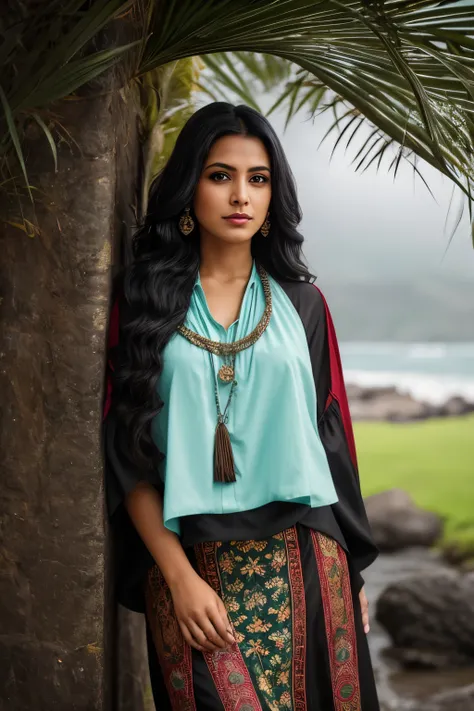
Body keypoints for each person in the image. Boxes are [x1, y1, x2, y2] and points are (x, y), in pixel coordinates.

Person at [103, 101, 380, 710]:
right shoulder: (144, 299)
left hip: (307, 560)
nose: (241, 196)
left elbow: (332, 440)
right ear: (189, 188)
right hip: (190, 568)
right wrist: (176, 576)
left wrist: (353, 571)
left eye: (258, 179)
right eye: (220, 175)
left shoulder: (304, 304)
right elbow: (130, 451)